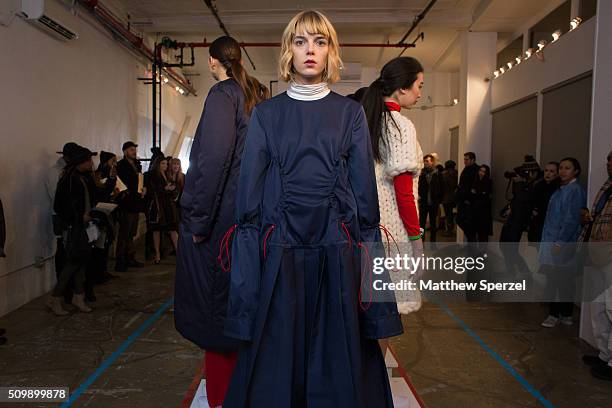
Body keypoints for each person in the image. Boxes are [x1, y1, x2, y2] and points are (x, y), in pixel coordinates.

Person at [223, 10, 402, 407]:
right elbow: (248, 207)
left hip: (336, 258)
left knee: (338, 368)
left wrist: (375, 291)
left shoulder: (350, 114)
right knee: (275, 360)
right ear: (289, 50)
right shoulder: (266, 116)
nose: (310, 50)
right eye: (301, 41)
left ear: (330, 52)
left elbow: (366, 207)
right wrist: (245, 290)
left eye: (319, 42)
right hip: (279, 258)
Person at [174, 35, 269, 408]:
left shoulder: (223, 95)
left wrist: (197, 221)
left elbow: (211, 163)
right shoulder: (259, 96)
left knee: (218, 320)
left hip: (222, 227)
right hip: (255, 223)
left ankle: (223, 400)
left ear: (213, 61)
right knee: (247, 315)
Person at [46, 146, 98, 315]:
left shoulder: (82, 177)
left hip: (83, 227)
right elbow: (60, 206)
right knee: (72, 263)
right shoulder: (68, 179)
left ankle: (78, 296)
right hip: (74, 227)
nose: (91, 163)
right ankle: (55, 298)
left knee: (81, 262)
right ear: (80, 162)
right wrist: (78, 217)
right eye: (88, 160)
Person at [539, 157, 586, 328]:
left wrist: (559, 242)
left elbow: (571, 220)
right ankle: (563, 314)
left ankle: (556, 314)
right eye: (562, 168)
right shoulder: (561, 190)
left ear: (576, 171)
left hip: (562, 243)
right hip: (553, 241)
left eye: (568, 168)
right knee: (559, 279)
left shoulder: (574, 191)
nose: (563, 171)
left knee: (560, 280)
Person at [580, 150, 612, 380]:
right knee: (597, 307)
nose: (609, 163)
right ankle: (604, 354)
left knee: (611, 308)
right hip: (596, 252)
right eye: (609, 159)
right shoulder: (607, 188)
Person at [46, 142, 81, 303]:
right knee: (63, 253)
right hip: (61, 216)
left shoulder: (70, 173)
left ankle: (70, 289)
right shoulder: (55, 173)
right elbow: (58, 198)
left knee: (71, 254)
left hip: (69, 216)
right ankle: (62, 291)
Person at [500, 155, 541, 275]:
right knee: (503, 245)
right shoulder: (523, 184)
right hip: (512, 218)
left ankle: (524, 272)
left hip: (519, 221)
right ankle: (510, 270)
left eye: (527, 172)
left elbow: (525, 199)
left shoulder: (535, 185)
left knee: (512, 249)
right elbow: (515, 198)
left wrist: (519, 184)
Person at [115, 141, 146, 272]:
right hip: (126, 203)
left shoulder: (137, 164)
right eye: (131, 149)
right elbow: (122, 183)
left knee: (132, 232)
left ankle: (130, 257)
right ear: (125, 151)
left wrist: (143, 188)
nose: (134, 152)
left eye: (134, 149)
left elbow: (139, 179)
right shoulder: (121, 165)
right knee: (124, 233)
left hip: (135, 202)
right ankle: (120, 260)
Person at [144, 156, 178, 264]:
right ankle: (157, 253)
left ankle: (179, 253)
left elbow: (170, 189)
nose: (165, 166)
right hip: (158, 206)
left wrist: (171, 190)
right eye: (163, 164)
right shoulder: (153, 175)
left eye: (166, 164)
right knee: (157, 230)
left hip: (167, 205)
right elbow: (152, 190)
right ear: (158, 164)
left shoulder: (167, 174)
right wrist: (165, 189)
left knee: (172, 229)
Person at [528, 162, 560, 244]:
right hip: (537, 224)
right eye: (546, 170)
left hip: (551, 225)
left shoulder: (559, 188)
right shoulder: (539, 185)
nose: (548, 173)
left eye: (552, 171)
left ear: (557, 173)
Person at [418, 154, 444, 242]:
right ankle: (421, 240)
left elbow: (442, 188)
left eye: (427, 161)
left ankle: (433, 242)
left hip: (433, 203)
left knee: (433, 223)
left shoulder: (438, 174)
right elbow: (419, 186)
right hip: (424, 202)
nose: (425, 163)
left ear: (432, 162)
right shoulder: (421, 174)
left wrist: (438, 200)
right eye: (424, 161)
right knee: (421, 223)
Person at [456, 152, 480, 241]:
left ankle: (472, 245)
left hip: (469, 202)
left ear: (473, 160)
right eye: (464, 159)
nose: (464, 161)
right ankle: (471, 242)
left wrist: (469, 199)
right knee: (460, 220)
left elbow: (475, 187)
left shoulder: (476, 170)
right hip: (462, 200)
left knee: (469, 224)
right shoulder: (466, 169)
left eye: (467, 159)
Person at [470, 164, 493, 245]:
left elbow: (486, 196)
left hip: (484, 213)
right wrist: (479, 193)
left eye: (483, 171)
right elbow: (472, 194)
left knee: (483, 235)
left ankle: (483, 254)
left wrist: (477, 193)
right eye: (480, 171)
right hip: (475, 211)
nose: (481, 173)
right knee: (474, 233)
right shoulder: (475, 181)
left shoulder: (488, 182)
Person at [441, 160, 458, 236]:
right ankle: (453, 229)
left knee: (448, 215)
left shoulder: (444, 174)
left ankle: (449, 230)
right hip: (455, 197)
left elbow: (441, 187)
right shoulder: (457, 173)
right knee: (452, 214)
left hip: (446, 197)